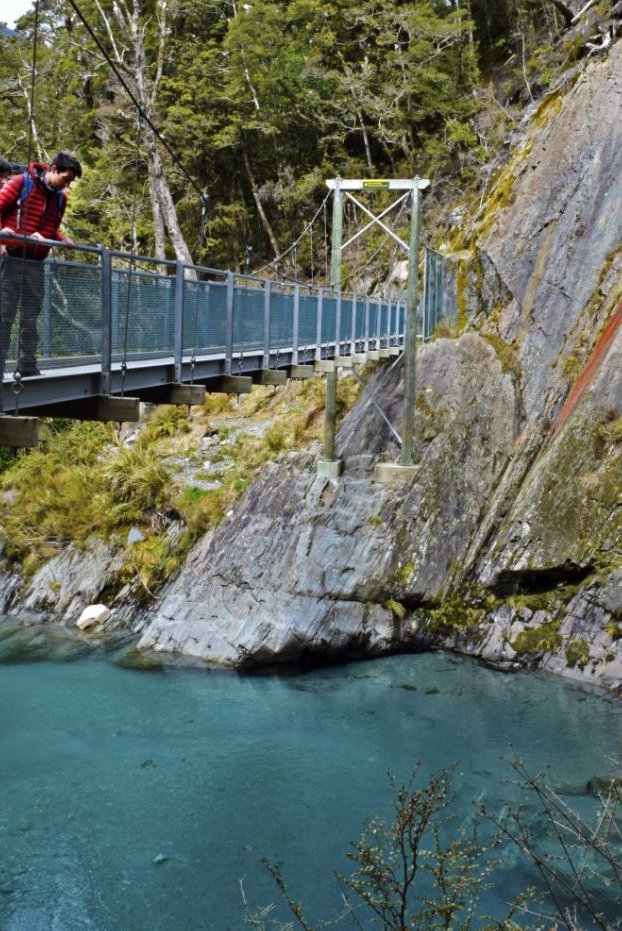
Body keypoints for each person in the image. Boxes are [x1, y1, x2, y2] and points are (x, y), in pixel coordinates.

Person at [0, 152, 82, 376]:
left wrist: (61, 237)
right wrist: (3, 240)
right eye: (66, 179)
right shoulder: (21, 182)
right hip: (13, 257)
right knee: (5, 315)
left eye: (71, 181)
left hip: (36, 263)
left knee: (31, 316)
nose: (67, 185)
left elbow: (50, 227)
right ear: (54, 169)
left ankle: (27, 366)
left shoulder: (60, 198)